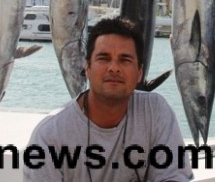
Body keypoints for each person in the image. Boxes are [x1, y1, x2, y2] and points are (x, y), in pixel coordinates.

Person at [24, 17, 193, 181]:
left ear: (140, 73)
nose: (114, 68)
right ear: (87, 67)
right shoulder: (49, 137)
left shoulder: (155, 110)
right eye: (103, 58)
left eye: (125, 60)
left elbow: (173, 176)